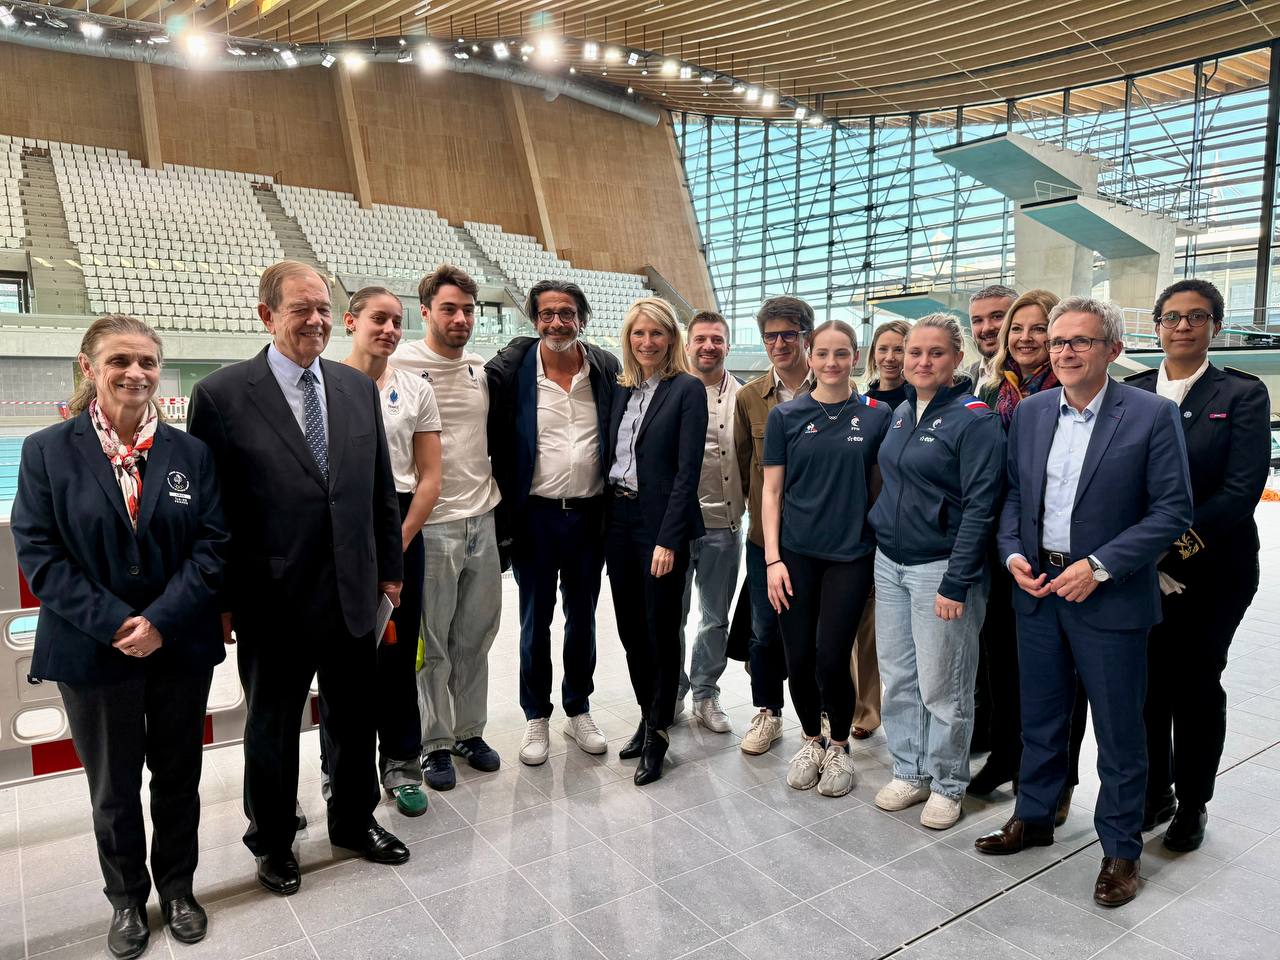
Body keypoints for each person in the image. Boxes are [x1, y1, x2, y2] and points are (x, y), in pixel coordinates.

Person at [188, 261, 408, 898]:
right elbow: (212, 509)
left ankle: (352, 820)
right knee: (273, 726)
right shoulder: (222, 395)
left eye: (321, 308)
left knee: (354, 717)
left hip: (353, 590)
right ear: (267, 316)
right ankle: (274, 841)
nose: (314, 320)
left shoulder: (354, 387)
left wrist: (389, 572)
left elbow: (376, 493)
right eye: (299, 309)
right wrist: (223, 600)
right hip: (272, 599)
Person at [12, 315, 228, 959]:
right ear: (89, 368)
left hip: (177, 647)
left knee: (177, 778)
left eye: (147, 362)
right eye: (119, 361)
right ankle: (127, 899)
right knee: (112, 786)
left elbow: (214, 548)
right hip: (90, 649)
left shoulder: (191, 454)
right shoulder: (48, 450)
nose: (135, 373)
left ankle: (180, 888)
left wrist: (161, 620)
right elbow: (40, 554)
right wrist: (114, 623)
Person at [976, 296, 1193, 909]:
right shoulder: (1035, 411)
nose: (1066, 351)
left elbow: (1172, 511)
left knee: (1121, 733)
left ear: (1113, 351)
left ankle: (1121, 850)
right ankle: (1035, 817)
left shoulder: (1149, 415)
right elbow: (1015, 496)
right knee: (1040, 720)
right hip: (1039, 592)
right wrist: (1013, 552)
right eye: (1060, 342)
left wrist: (1098, 568)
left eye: (1082, 341)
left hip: (1109, 598)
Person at [1126, 279, 1271, 852]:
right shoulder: (1131, 392)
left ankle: (1193, 802)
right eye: (1172, 317)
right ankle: (1152, 791)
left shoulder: (1241, 394)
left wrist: (1162, 548)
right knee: (1146, 686)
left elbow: (1239, 492)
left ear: (1214, 325)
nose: (1183, 326)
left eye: (1197, 317)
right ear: (1157, 325)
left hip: (1214, 569)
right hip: (1138, 570)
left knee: (1195, 684)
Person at [868, 312, 1005, 830]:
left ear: (957, 359)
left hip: (940, 568)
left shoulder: (974, 420)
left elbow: (980, 507)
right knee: (900, 677)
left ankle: (948, 781)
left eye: (935, 353)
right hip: (891, 562)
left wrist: (957, 580)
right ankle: (910, 769)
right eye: (914, 353)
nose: (922, 362)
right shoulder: (903, 411)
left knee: (943, 686)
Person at [486, 280, 619, 765]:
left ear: (581, 318)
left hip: (588, 516)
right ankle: (535, 715)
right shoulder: (514, 371)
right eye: (547, 315)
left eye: (566, 313)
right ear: (535, 320)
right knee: (534, 621)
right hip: (536, 517)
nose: (557, 323)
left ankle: (578, 707)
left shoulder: (604, 369)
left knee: (582, 618)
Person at [763, 320, 891, 798]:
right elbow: (772, 492)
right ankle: (811, 740)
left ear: (856, 358)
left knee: (832, 656)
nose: (832, 363)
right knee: (797, 657)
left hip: (851, 555)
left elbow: (881, 489)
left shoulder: (877, 417)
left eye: (842, 354)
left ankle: (839, 745)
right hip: (795, 554)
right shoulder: (786, 416)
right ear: (810, 358)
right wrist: (773, 560)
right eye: (823, 354)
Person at [389, 265, 503, 790]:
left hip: (483, 517)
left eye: (468, 310)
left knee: (475, 637)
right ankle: (433, 742)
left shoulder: (480, 368)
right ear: (427, 311)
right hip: (432, 526)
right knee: (430, 643)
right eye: (449, 309)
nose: (460, 318)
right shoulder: (400, 362)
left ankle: (468, 731)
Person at [335, 286, 442, 816]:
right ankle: (341, 770)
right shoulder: (325, 385)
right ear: (350, 321)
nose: (390, 330)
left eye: (398, 321)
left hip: (401, 528)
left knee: (398, 656)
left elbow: (429, 478)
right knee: (344, 660)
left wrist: (393, 548)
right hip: (342, 529)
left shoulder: (415, 388)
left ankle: (402, 762)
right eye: (379, 319)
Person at [605, 297, 708, 785]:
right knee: (629, 629)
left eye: (657, 334)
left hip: (660, 526)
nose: (647, 342)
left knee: (661, 630)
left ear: (672, 339)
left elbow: (688, 472)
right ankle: (648, 715)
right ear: (628, 339)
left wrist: (669, 540)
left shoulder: (686, 389)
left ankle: (659, 734)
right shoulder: (623, 389)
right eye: (639, 334)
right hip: (619, 518)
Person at [734, 296, 815, 755]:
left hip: (819, 539)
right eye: (771, 336)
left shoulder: (835, 389)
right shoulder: (750, 398)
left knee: (818, 633)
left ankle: (821, 712)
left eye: (788, 334)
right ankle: (768, 711)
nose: (779, 343)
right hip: (766, 538)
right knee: (764, 629)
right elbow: (748, 467)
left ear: (805, 335)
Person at [674, 310, 743, 734]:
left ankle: (705, 692)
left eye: (716, 339)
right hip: (676, 527)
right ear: (688, 345)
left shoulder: (745, 395)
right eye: (700, 339)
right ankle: (672, 691)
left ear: (727, 345)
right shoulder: (672, 391)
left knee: (715, 616)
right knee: (672, 616)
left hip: (724, 523)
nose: (708, 346)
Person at [965, 284, 1017, 386]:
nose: (987, 328)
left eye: (997, 316)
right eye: (978, 320)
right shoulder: (963, 380)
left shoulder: (1037, 378)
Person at [864, 319, 910, 408]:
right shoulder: (864, 403)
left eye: (899, 350)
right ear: (873, 354)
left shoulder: (919, 401)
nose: (889, 358)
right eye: (883, 349)